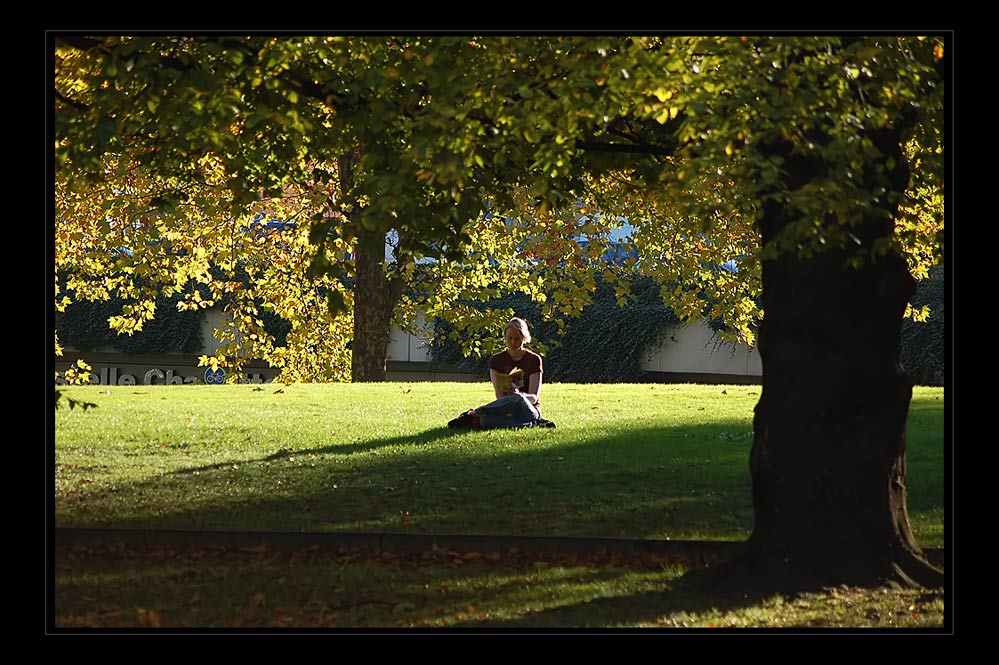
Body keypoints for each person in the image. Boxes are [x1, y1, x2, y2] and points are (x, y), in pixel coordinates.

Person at [448, 317, 556, 429]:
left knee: (517, 398)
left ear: (524, 338)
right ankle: (529, 425)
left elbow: (534, 397)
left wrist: (519, 395)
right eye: (510, 338)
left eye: (517, 339)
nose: (513, 342)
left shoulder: (534, 359)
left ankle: (473, 413)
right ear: (505, 337)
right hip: (506, 410)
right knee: (485, 420)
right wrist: (508, 406)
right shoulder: (496, 360)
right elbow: (499, 397)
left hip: (529, 410)